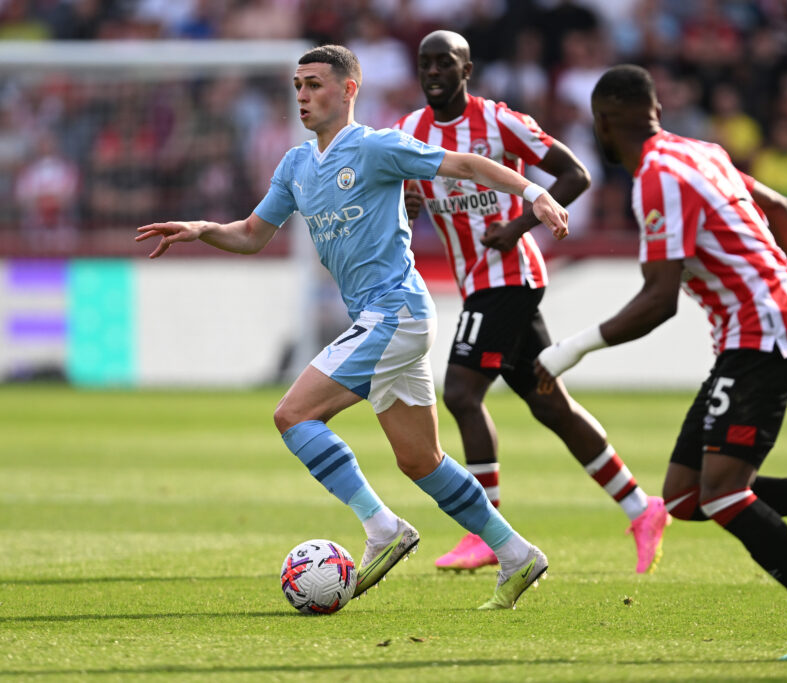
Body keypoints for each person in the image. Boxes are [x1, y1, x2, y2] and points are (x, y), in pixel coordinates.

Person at [135, 44, 568, 610]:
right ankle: (515, 554)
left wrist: (535, 193)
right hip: (383, 319)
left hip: (397, 310)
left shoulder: (376, 147)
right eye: (297, 86)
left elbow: (461, 163)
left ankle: (383, 528)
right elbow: (250, 234)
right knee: (420, 461)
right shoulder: (295, 165)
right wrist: (200, 228)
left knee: (292, 415)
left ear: (348, 89)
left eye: (314, 84)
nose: (302, 96)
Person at [535, 64, 787, 660]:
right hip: (762, 327)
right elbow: (782, 207)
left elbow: (658, 302)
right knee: (685, 497)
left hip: (763, 334)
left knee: (726, 494)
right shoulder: (698, 151)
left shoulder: (654, 178)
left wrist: (565, 351)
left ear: (604, 122)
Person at [395, 30, 669, 575]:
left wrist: (519, 226)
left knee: (461, 392)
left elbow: (575, 174)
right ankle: (642, 507)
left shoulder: (498, 121)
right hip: (478, 281)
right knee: (549, 403)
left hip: (511, 275)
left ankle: (486, 532)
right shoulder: (410, 132)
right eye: (424, 64)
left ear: (466, 69)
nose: (432, 73)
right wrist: (412, 202)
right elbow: (416, 199)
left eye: (444, 63)